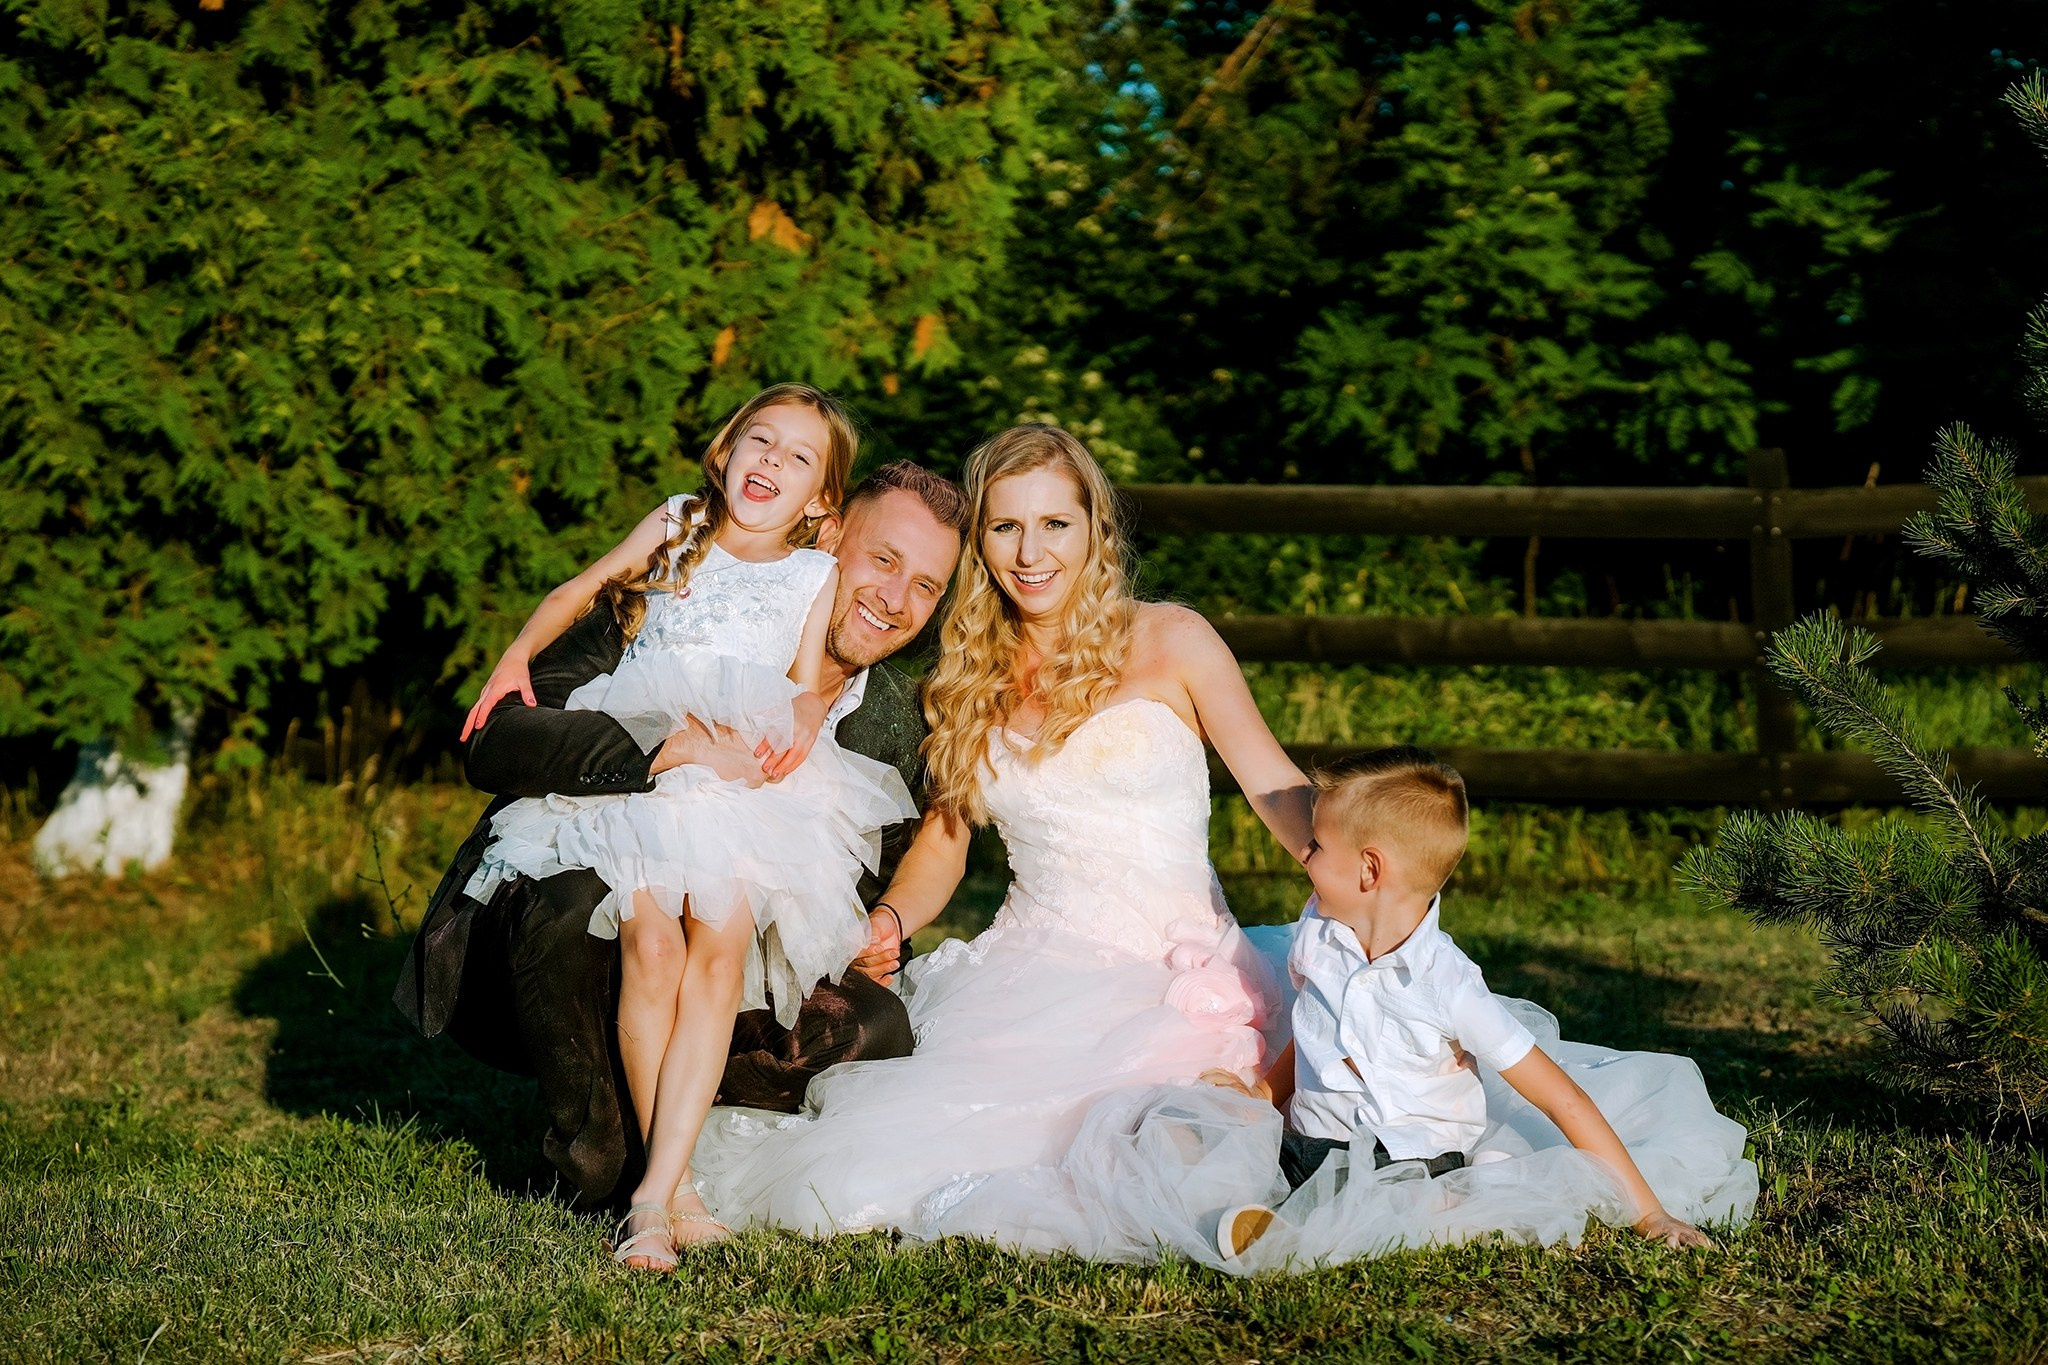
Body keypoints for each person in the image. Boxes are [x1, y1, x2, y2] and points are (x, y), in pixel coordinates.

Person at [687, 422, 1316, 1243]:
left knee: (1156, 1131)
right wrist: (893, 920)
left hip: (1177, 975)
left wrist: (1362, 878)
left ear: (1095, 526)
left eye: (1055, 523)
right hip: (1027, 974)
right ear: (980, 539)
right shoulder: (965, 678)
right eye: (1005, 526)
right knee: (869, 1169)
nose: (1031, 552)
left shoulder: (1173, 640)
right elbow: (944, 847)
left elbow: (1276, 787)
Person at [392, 388, 965, 1248]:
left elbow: (922, 847)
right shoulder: (670, 583)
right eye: (882, 560)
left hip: (740, 938)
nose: (895, 598)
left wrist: (884, 921)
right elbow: (499, 742)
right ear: (831, 531)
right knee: (584, 902)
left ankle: (681, 1127)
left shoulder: (900, 719)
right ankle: (617, 1144)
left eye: (925, 585)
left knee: (876, 1024)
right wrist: (663, 747)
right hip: (609, 875)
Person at [1211, 747, 1726, 1263]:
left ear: (1370, 870)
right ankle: (1281, 1212)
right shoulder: (1318, 938)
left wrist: (1650, 1213)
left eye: (1317, 847)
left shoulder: (1448, 985)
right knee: (1211, 1147)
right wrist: (1261, 1094)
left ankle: (1297, 1235)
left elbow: (1562, 1099)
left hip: (1410, 1161)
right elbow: (1313, 1033)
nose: (1304, 855)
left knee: (1374, 1200)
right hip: (1311, 1141)